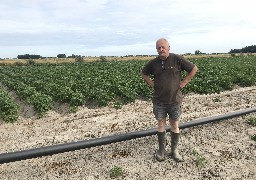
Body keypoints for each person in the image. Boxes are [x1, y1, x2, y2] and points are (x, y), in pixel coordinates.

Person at [140, 38, 198, 162]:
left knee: (174, 124)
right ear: (156, 50)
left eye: (163, 47)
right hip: (159, 100)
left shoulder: (177, 59)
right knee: (161, 124)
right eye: (158, 48)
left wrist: (184, 82)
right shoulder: (154, 63)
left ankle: (174, 151)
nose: (161, 50)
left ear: (168, 47)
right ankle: (161, 151)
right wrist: (151, 83)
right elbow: (143, 72)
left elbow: (194, 69)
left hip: (174, 100)